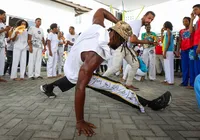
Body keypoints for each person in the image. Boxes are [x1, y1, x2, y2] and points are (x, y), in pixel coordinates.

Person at [40, 8, 172, 137]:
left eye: (123, 42)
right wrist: (80, 121)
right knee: (113, 87)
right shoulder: (94, 56)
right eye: (120, 40)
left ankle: (48, 87)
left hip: (72, 62)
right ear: (113, 33)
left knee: (73, 77)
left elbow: (101, 11)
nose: (120, 44)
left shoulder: (98, 26)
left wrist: (119, 23)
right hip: (76, 69)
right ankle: (150, 103)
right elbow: (80, 87)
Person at [103, 11, 156, 91]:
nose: (149, 21)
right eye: (149, 18)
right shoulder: (137, 24)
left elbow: (131, 40)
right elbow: (133, 40)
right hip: (121, 47)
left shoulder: (138, 24)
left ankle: (128, 84)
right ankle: (100, 80)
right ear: (144, 16)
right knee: (116, 67)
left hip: (127, 48)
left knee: (135, 65)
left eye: (151, 20)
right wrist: (146, 41)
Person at [178, 17, 193, 87]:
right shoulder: (181, 31)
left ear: (190, 21)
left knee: (192, 66)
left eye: (186, 21)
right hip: (183, 50)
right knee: (184, 67)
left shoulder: (193, 28)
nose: (184, 22)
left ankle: (192, 83)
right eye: (183, 21)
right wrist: (178, 50)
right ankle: (184, 82)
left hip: (191, 49)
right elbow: (179, 41)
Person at [189, 4, 200, 89]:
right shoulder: (197, 21)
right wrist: (192, 20)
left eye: (196, 9)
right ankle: (196, 85)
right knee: (196, 65)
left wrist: (199, 46)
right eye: (194, 10)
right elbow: (190, 31)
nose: (194, 11)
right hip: (195, 45)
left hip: (198, 45)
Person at [0, 9, 11, 82]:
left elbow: (5, 36)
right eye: (3, 14)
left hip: (2, 44)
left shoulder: (3, 24)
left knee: (1, 61)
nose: (4, 16)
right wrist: (4, 30)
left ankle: (0, 76)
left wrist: (8, 30)